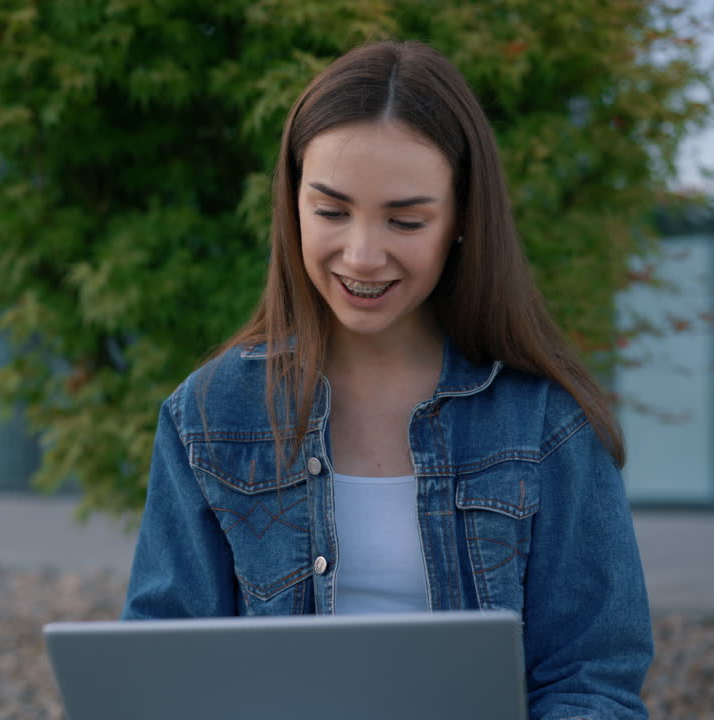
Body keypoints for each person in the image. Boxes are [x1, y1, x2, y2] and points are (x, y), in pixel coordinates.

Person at [121, 39, 653, 718]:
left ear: (461, 221)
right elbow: (162, 671)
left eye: (405, 220)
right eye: (331, 211)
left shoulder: (546, 422)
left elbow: (592, 680)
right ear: (292, 204)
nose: (363, 255)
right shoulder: (207, 414)